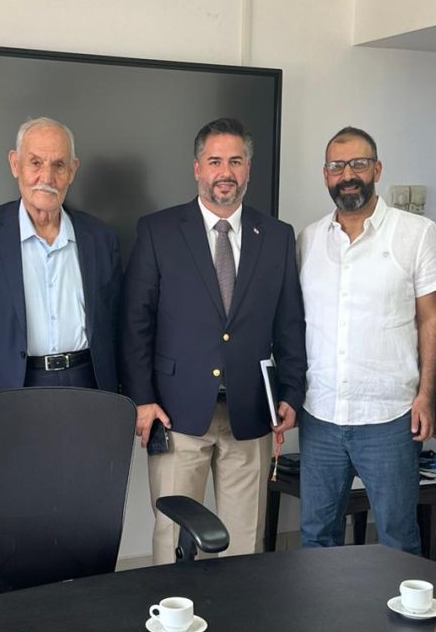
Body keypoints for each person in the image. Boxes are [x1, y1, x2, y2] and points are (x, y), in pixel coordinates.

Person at [121, 117, 306, 564]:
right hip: (176, 413)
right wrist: (142, 399)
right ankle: (172, 610)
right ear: (197, 168)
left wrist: (291, 392)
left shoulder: (277, 236)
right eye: (215, 161)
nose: (226, 172)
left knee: (245, 544)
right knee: (173, 539)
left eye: (236, 162)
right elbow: (135, 323)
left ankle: (236, 612)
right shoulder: (158, 231)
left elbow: (289, 323)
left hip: (250, 414)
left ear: (249, 170)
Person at [297, 126, 436, 552]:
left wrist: (426, 396)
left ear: (377, 169)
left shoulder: (416, 232)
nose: (348, 175)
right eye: (337, 166)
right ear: (325, 175)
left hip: (390, 416)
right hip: (320, 413)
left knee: (398, 538)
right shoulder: (308, 239)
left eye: (358, 164)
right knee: (316, 536)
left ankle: (399, 603)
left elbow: (431, 317)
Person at [0, 117, 121, 390]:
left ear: (73, 170)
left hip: (89, 384)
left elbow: (116, 325)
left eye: (59, 165)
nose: (47, 178)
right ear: (15, 164)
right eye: (36, 163)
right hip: (11, 388)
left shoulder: (101, 238)